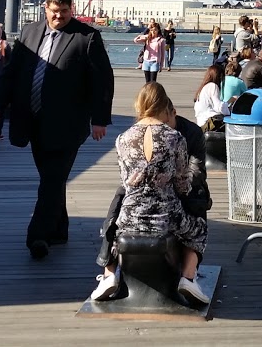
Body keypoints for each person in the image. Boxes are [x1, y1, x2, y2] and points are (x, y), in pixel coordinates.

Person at [0, 0, 114, 260]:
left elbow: (103, 81)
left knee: (52, 179)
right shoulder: (30, 33)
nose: (59, 17)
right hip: (32, 121)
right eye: (54, 12)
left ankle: (38, 236)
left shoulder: (86, 37)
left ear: (72, 9)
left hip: (68, 124)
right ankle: (59, 228)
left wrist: (100, 119)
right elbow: (10, 74)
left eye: (64, 12)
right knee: (51, 179)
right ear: (46, 9)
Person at [89, 83, 210, 306]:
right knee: (198, 228)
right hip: (167, 215)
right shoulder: (175, 138)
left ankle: (108, 276)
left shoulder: (123, 138)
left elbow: (126, 182)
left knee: (114, 224)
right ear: (165, 106)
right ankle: (188, 277)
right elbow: (183, 184)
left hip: (131, 216)